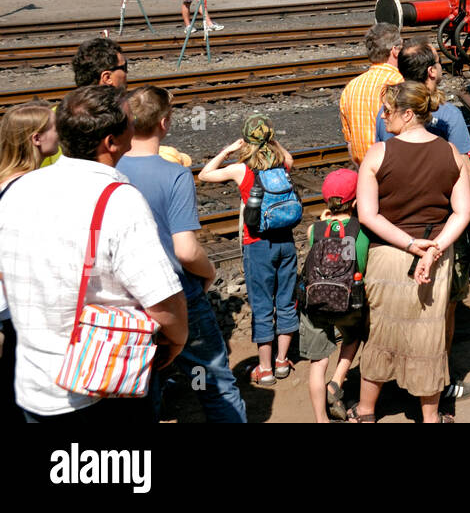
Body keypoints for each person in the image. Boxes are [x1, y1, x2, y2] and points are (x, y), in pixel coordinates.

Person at [0, 86, 188, 423]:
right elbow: (163, 301)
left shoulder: (18, 190)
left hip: (33, 385)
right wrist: (177, 340)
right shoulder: (119, 200)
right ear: (111, 143)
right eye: (130, 123)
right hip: (101, 385)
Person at [119, 87, 246, 423]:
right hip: (176, 293)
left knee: (144, 383)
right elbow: (186, 250)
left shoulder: (110, 170)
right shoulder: (174, 174)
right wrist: (208, 273)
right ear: (165, 123)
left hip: (127, 295)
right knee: (213, 381)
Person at [353, 81, 470, 423]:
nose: (383, 116)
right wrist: (434, 248)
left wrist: (409, 245)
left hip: (389, 254)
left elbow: (368, 215)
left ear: (407, 114)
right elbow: (462, 212)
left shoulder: (378, 154)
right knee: (428, 333)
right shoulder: (450, 152)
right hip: (436, 257)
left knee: (381, 331)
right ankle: (431, 417)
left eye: (388, 111)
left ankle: (365, 412)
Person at [197, 116, 299, 387]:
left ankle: (264, 369)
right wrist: (273, 141)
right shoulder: (282, 164)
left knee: (263, 306)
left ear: (246, 140)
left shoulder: (240, 169)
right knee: (286, 301)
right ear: (270, 138)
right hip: (286, 243)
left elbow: (204, 174)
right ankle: (282, 362)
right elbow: (291, 158)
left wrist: (227, 150)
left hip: (257, 246)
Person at [0, 102, 60, 423]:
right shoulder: (33, 187)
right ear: (37, 139)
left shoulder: (5, 180)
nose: (59, 133)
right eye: (54, 128)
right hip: (20, 312)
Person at [299, 168, 369, 423]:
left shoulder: (313, 230)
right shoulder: (362, 230)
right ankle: (337, 381)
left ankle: (321, 419)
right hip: (349, 302)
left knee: (317, 363)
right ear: (356, 200)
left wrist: (324, 220)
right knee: (356, 333)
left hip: (315, 303)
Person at [339, 22, 404, 165]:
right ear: (395, 51)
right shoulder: (400, 82)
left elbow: (350, 144)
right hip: (396, 169)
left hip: (365, 170)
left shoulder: (351, 87)